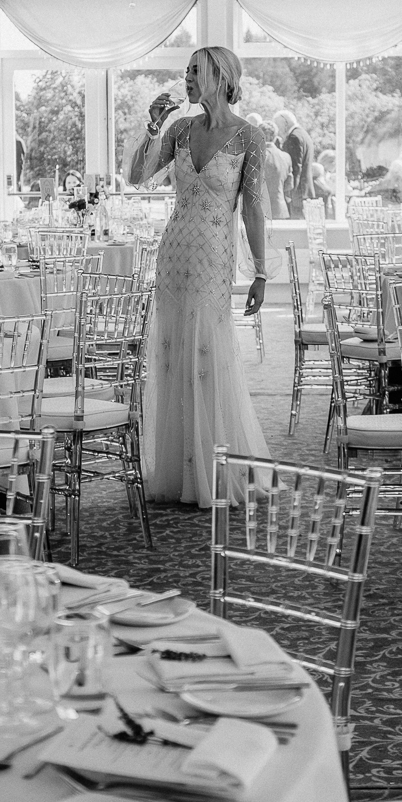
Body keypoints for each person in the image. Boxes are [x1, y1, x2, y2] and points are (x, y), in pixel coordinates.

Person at [125, 45, 270, 506]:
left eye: (194, 72)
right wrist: (152, 127)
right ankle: (177, 467)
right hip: (174, 253)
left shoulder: (250, 136)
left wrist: (261, 272)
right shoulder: (180, 129)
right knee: (171, 351)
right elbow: (137, 177)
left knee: (208, 348)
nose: (185, 79)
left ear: (219, 76)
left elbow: (252, 207)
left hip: (214, 253)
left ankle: (215, 466)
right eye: (185, 71)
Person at [273, 109, 311, 215]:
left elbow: (295, 168)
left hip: (297, 196)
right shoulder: (303, 134)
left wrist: (290, 194)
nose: (277, 130)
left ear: (285, 123)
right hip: (304, 192)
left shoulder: (294, 138)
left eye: (277, 125)